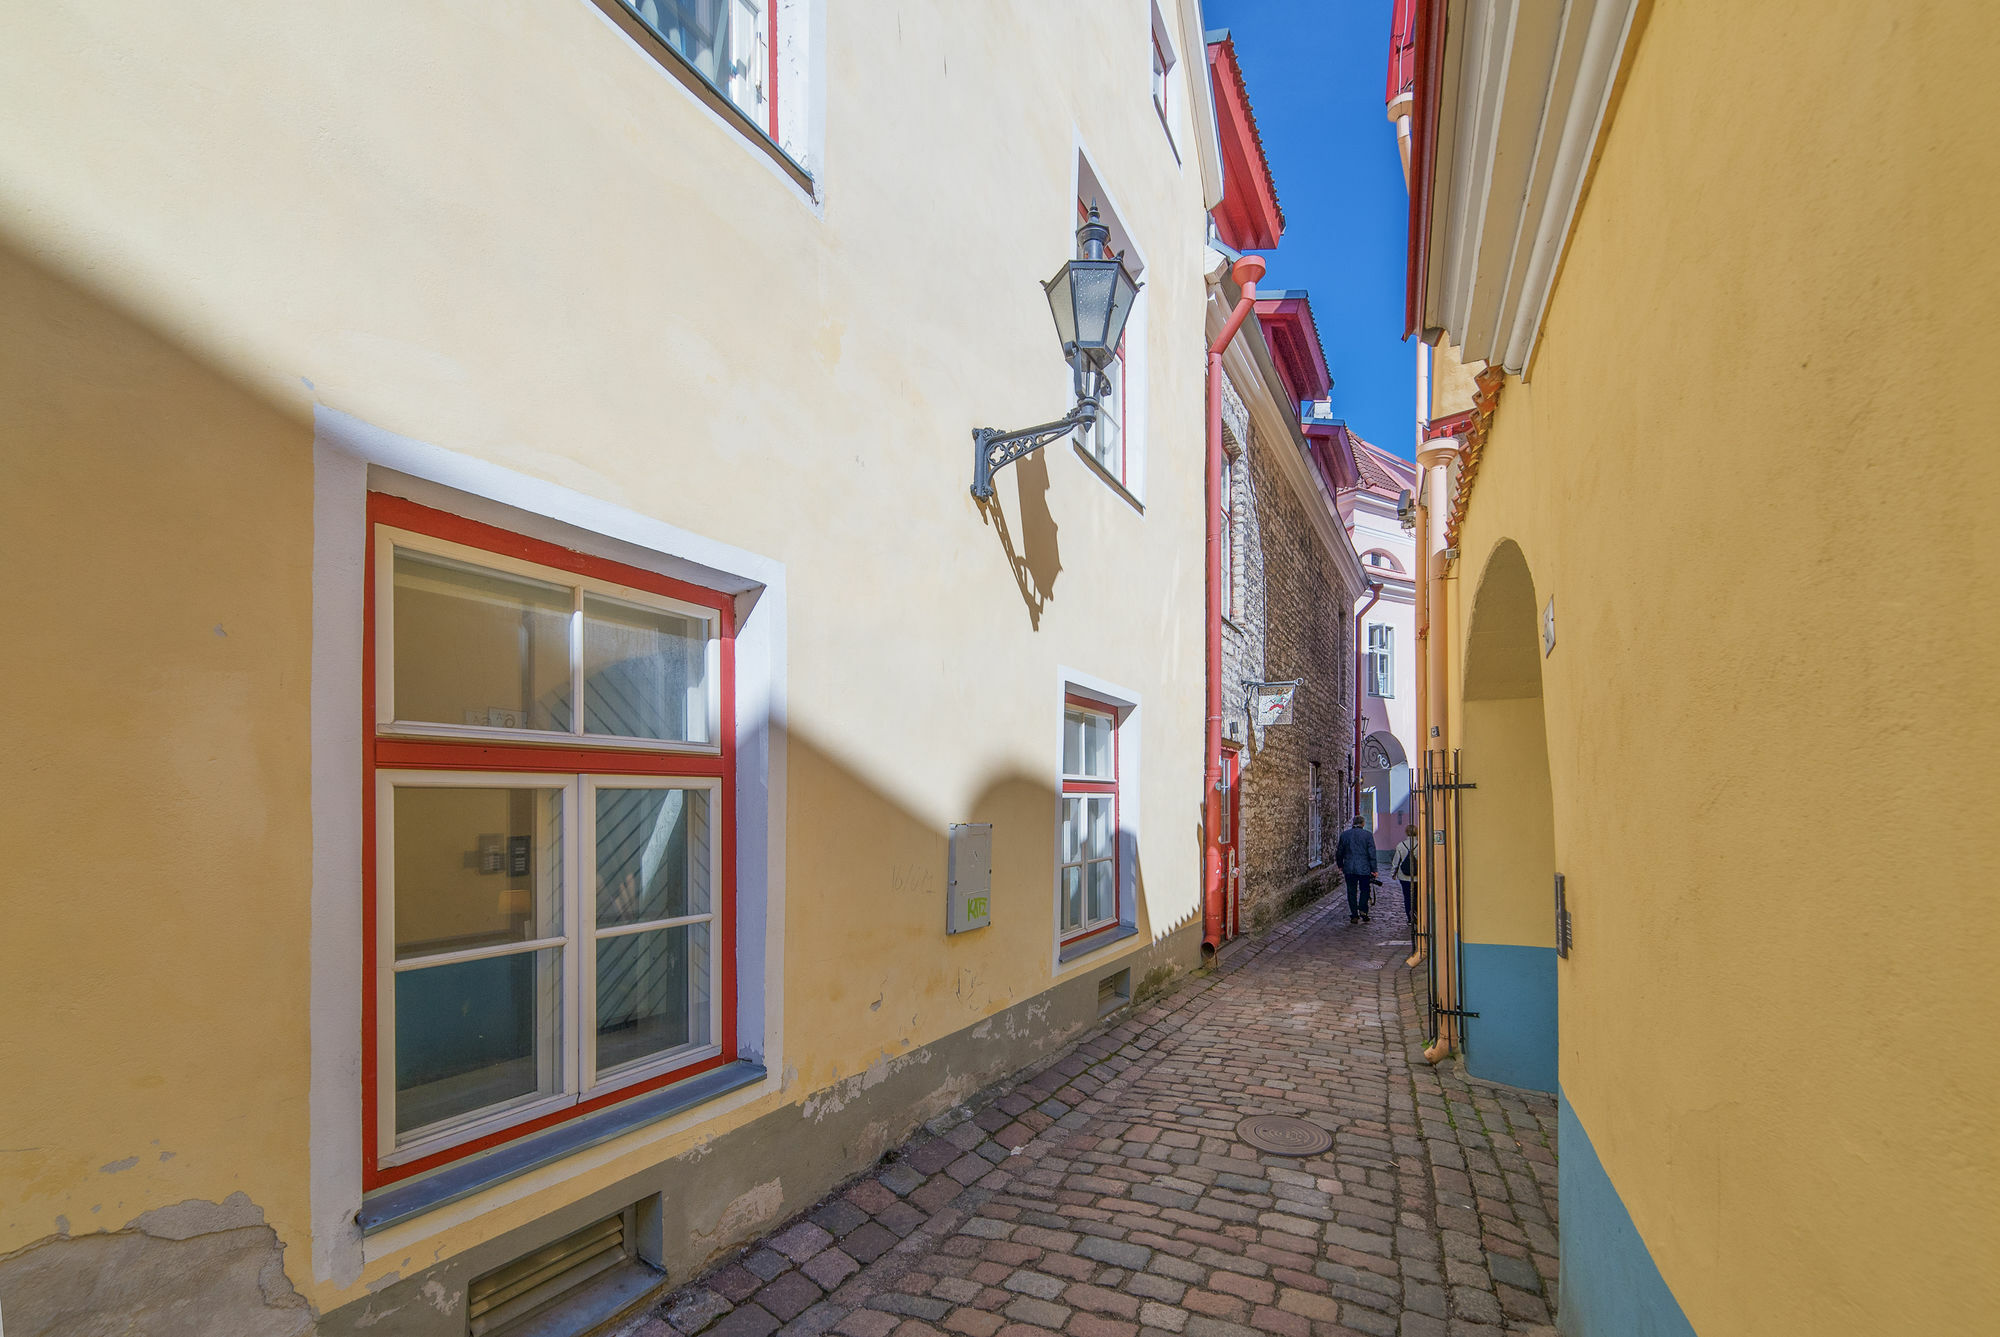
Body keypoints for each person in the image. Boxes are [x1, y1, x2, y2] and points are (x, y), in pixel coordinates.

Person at [1334, 814, 1377, 924]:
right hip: (1364, 868)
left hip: (1349, 868)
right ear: (1363, 823)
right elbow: (1371, 853)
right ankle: (1363, 909)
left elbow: (1339, 852)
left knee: (1351, 891)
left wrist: (1340, 865)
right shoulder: (1368, 835)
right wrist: (1374, 869)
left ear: (1353, 823)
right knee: (1365, 889)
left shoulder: (1345, 835)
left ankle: (1354, 914)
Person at [1392, 824, 1421, 925]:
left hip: (1404, 876)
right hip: (1418, 876)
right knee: (1417, 896)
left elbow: (1396, 861)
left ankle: (1410, 917)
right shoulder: (1420, 845)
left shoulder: (1401, 845)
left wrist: (1393, 873)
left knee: (1407, 897)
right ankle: (1417, 914)